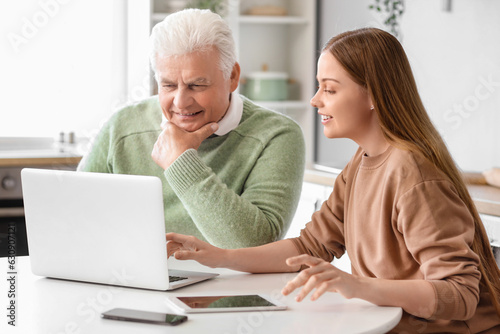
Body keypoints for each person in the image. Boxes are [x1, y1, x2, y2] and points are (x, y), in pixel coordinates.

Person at [165, 28, 500, 332]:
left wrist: (359, 285)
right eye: (318, 87)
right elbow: (309, 246)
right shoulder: (361, 162)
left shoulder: (413, 174)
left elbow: (460, 294)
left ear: (373, 96)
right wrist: (219, 256)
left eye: (330, 89)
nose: (315, 100)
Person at [78, 9, 305, 249]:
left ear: (233, 76)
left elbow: (256, 244)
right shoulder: (123, 126)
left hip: (229, 284)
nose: (180, 102)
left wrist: (181, 162)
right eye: (167, 85)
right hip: (127, 279)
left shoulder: (277, 135)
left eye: (196, 85)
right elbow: (74, 213)